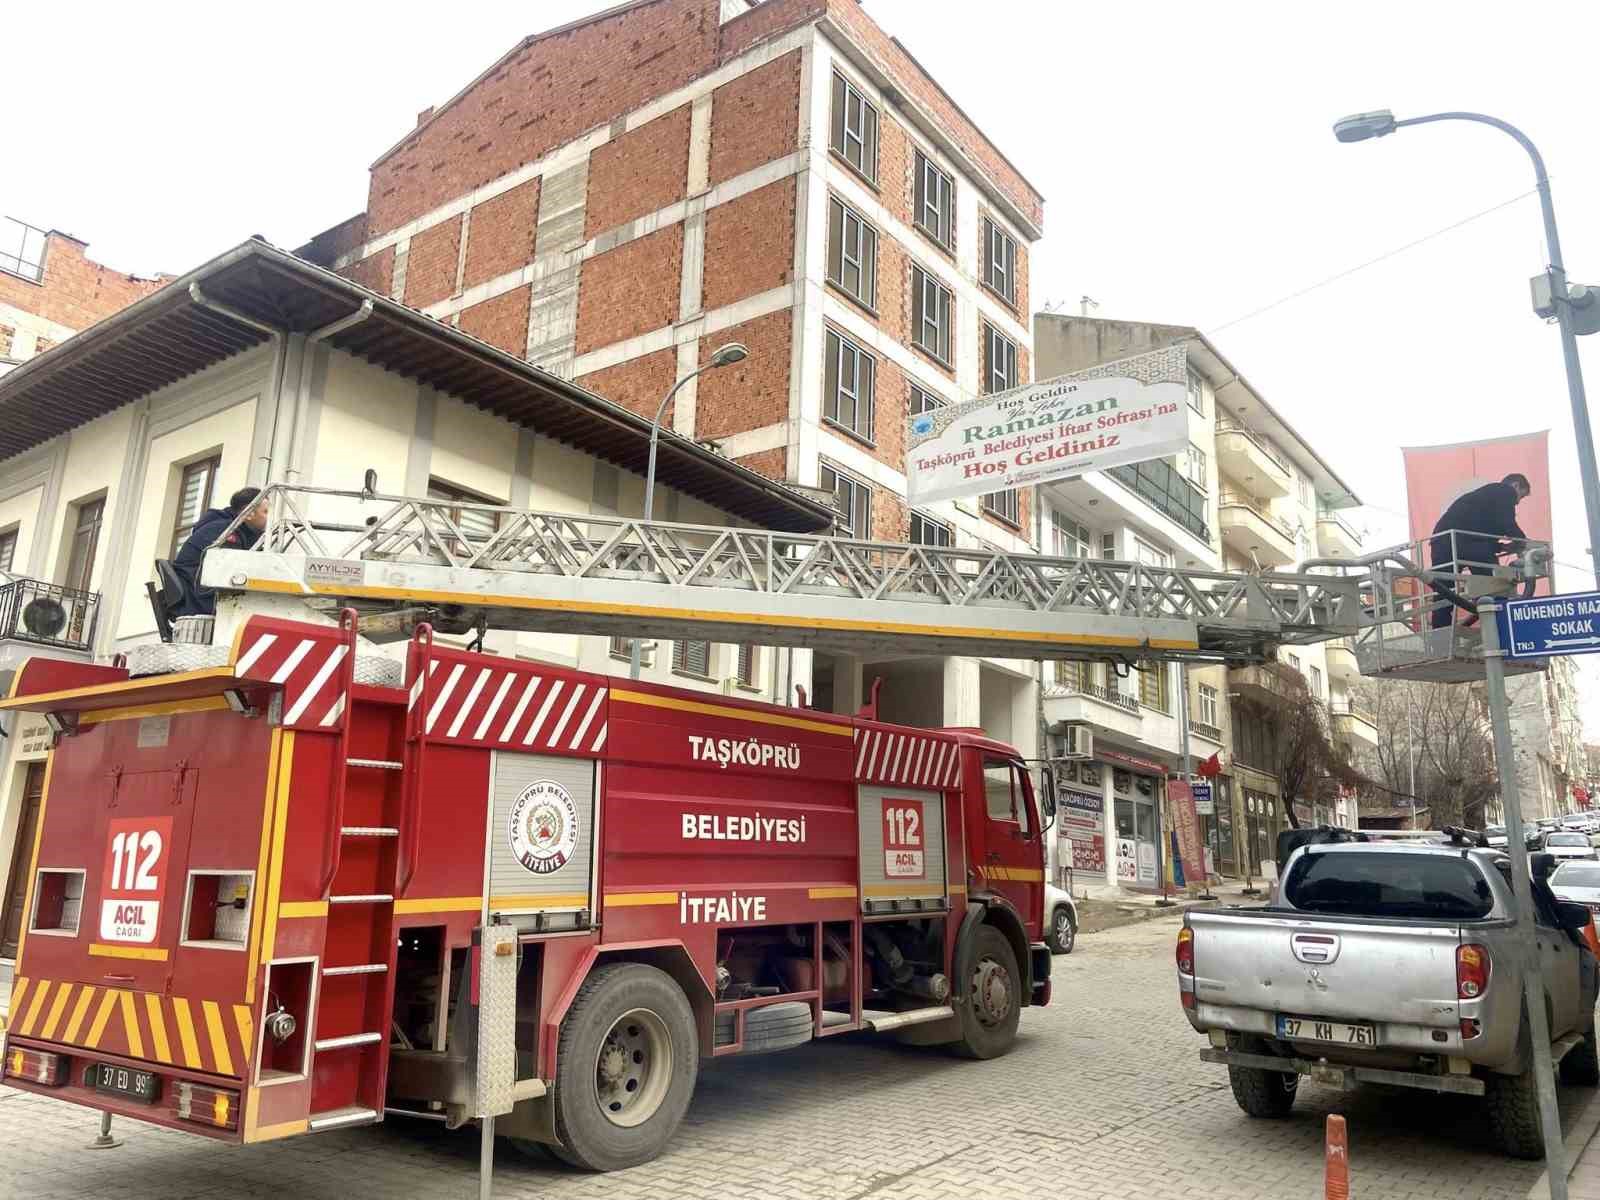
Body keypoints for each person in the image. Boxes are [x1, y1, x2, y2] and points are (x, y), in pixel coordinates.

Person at [1428, 473, 1532, 629]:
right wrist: (1523, 542)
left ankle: (1440, 641)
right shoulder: (1504, 491)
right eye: (1520, 497)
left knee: (1443, 595)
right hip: (1467, 541)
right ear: (1516, 486)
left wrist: (1500, 547)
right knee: (1495, 587)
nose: (1516, 503)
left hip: (1441, 541)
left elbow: (1478, 525)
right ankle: (1498, 631)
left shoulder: (1483, 498)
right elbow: (1506, 522)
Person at [170, 486, 268, 615]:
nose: (270, 517)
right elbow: (232, 573)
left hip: (200, 598)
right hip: (198, 601)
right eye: (266, 512)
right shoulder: (224, 532)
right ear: (249, 514)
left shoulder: (239, 531)